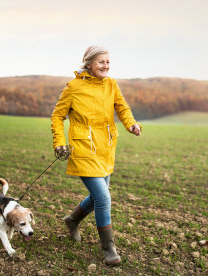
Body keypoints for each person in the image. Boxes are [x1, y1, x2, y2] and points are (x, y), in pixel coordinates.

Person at [50, 45, 141, 265]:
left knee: (98, 196)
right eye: (101, 62)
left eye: (108, 62)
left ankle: (72, 220)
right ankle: (109, 249)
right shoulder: (73, 87)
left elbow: (122, 108)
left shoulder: (111, 84)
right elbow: (57, 116)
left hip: (105, 147)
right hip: (82, 149)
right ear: (89, 63)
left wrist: (131, 124)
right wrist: (59, 142)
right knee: (103, 198)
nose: (106, 66)